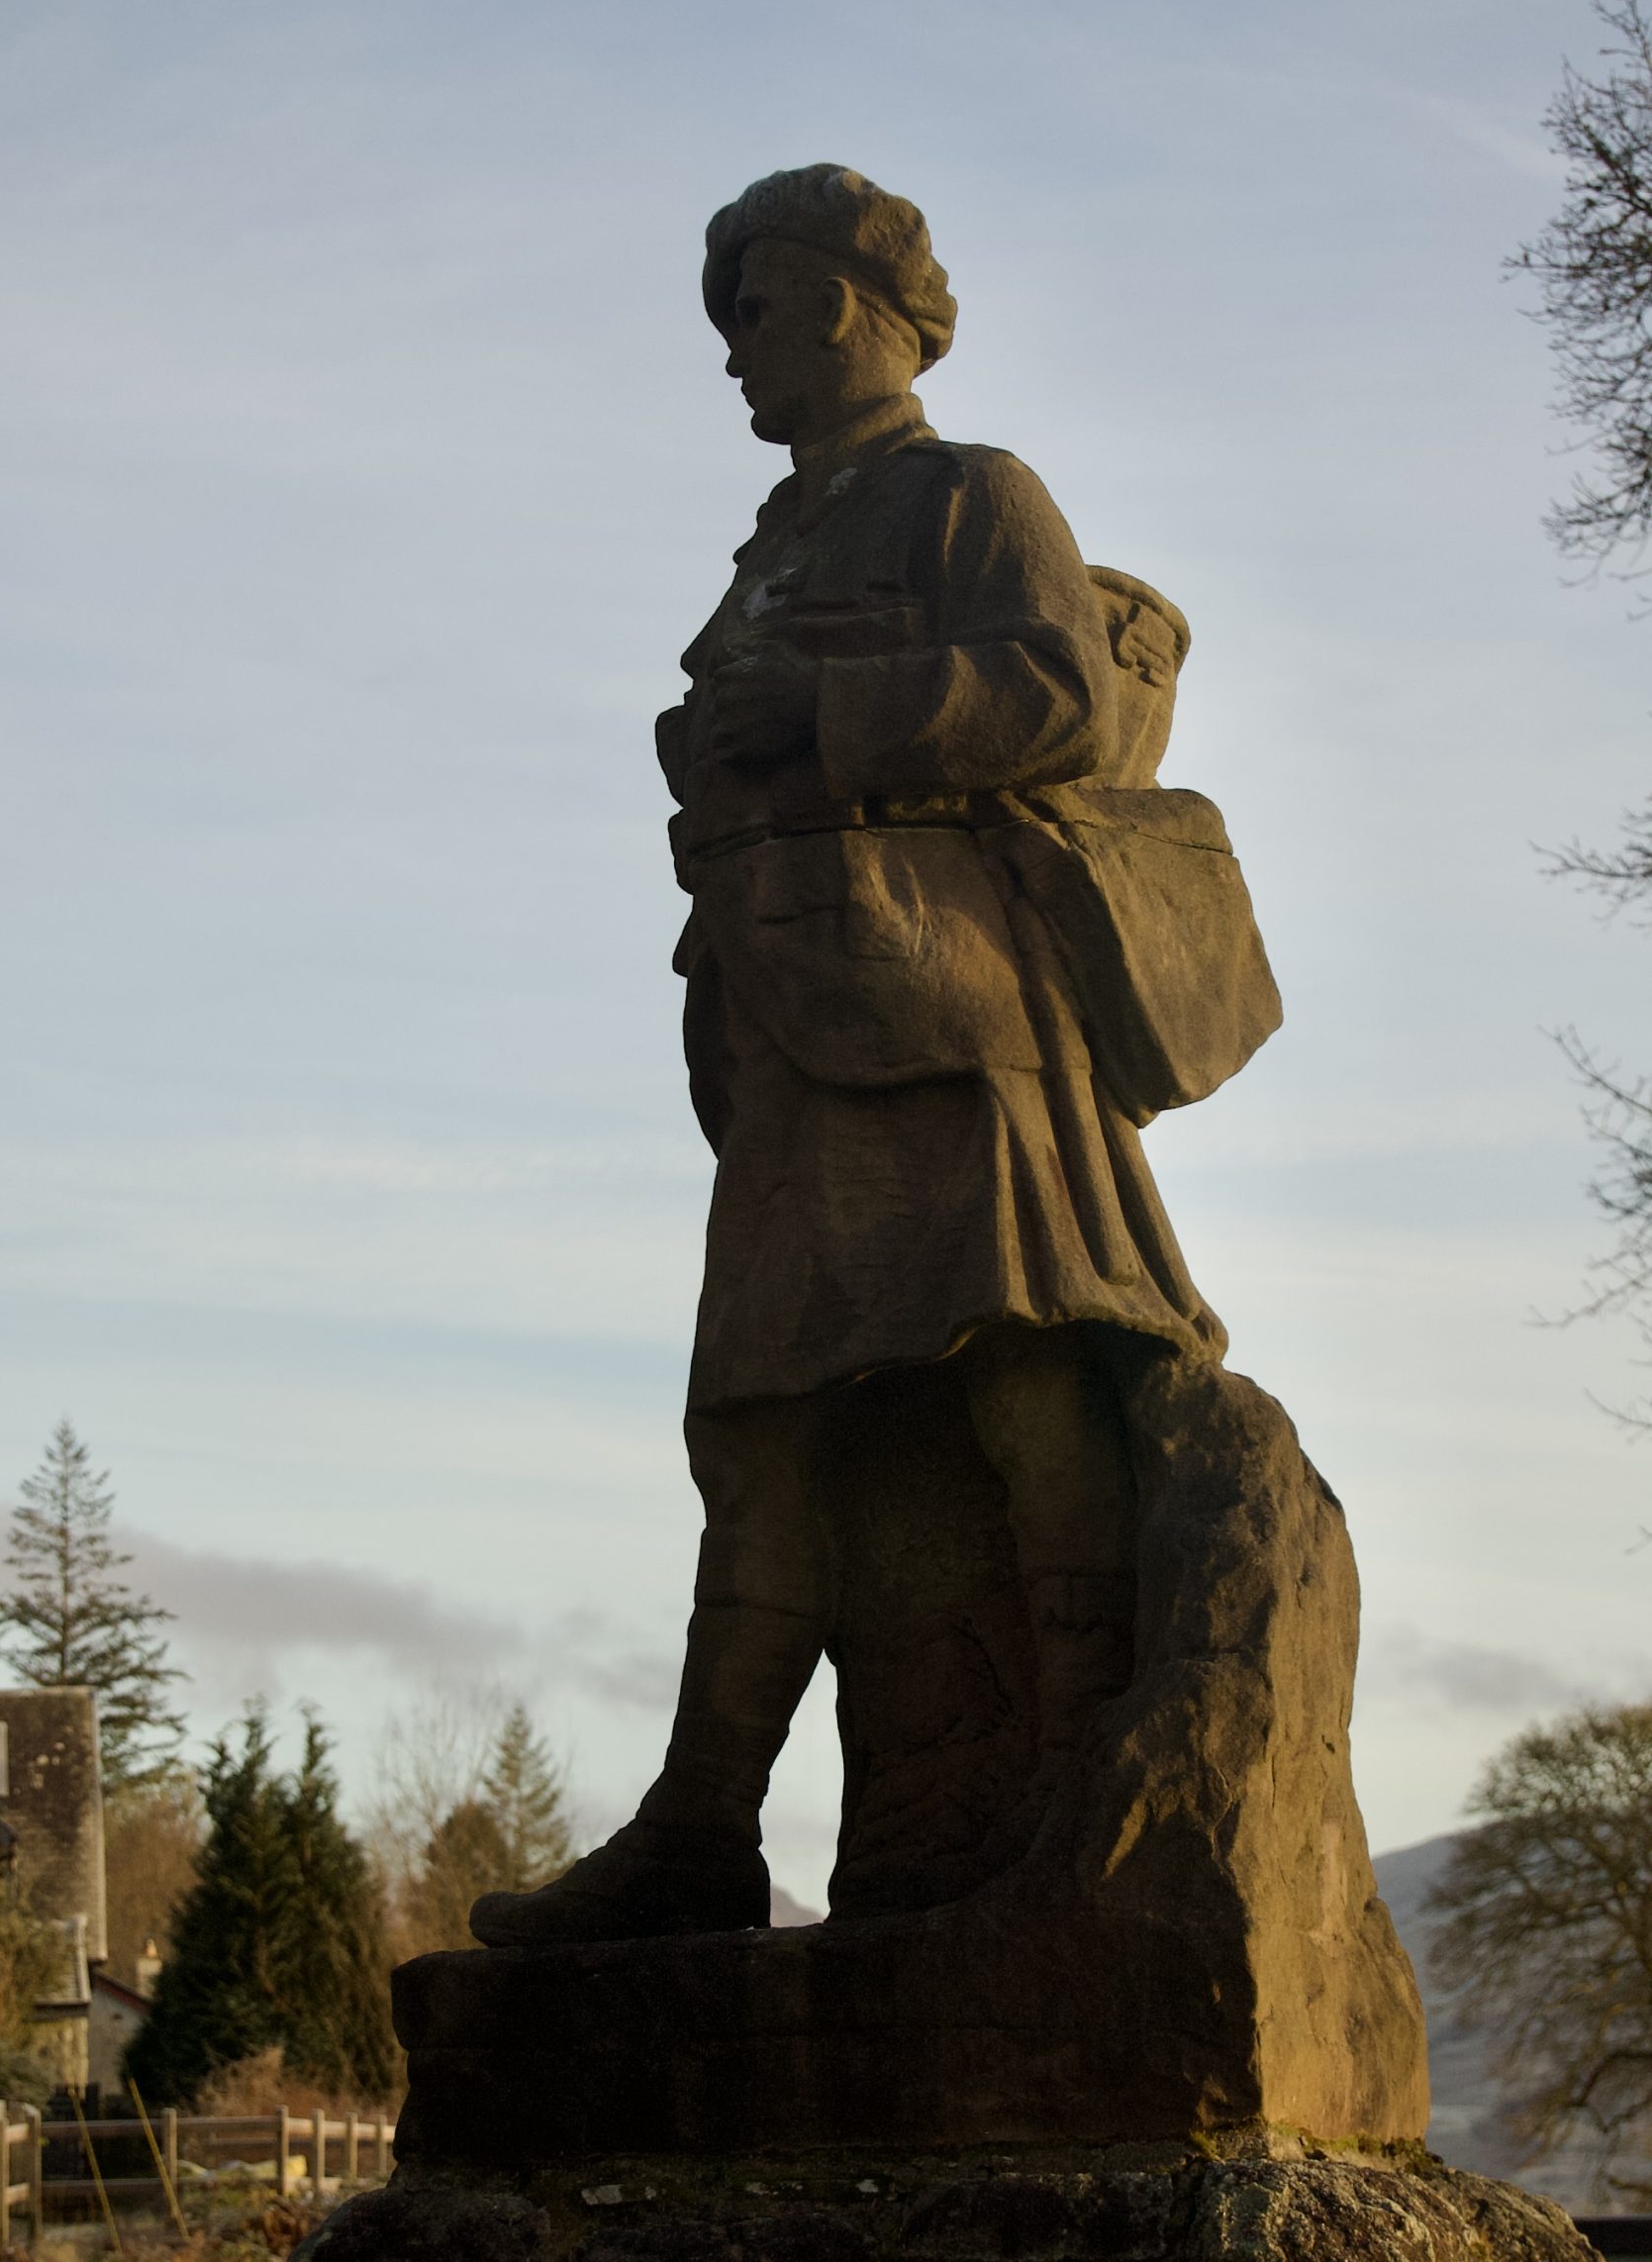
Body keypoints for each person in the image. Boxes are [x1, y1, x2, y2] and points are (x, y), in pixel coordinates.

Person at [472, 165, 1226, 1948]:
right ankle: (701, 1832)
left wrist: (822, 709)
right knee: (762, 1425)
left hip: (951, 1018)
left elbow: (1053, 691)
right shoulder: (776, 539)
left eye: (746, 314)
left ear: (832, 302)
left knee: (1027, 1376)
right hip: (791, 1028)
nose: (731, 357)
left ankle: (1076, 1799)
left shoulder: (971, 492)